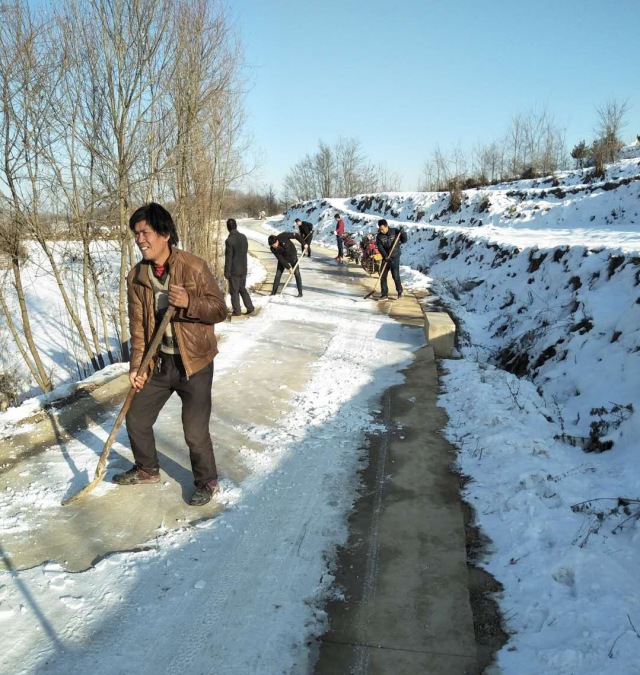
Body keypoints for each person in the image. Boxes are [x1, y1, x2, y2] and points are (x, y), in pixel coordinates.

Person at [113, 202, 228, 506]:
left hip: (195, 364)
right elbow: (137, 326)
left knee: (193, 430)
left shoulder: (193, 267)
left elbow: (219, 310)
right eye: (136, 234)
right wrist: (137, 366)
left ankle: (207, 481)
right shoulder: (136, 277)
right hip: (160, 364)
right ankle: (148, 469)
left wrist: (190, 300)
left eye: (145, 232)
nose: (140, 239)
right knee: (136, 418)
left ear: (164, 233)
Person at [224, 218, 255, 317]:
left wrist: (227, 272)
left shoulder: (229, 240)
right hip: (243, 268)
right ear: (236, 226)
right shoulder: (243, 237)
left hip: (234, 270)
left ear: (228, 227)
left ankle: (237, 311)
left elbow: (228, 258)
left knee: (234, 291)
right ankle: (250, 307)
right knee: (242, 288)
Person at [375, 218, 408, 300]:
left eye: (382, 229)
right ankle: (384, 294)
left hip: (395, 257)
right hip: (386, 258)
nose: (381, 231)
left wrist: (403, 233)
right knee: (382, 275)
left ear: (386, 226)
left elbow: (404, 240)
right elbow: (380, 247)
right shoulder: (379, 236)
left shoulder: (395, 231)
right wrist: (385, 256)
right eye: (380, 229)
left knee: (395, 276)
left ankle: (400, 291)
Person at [268, 231, 307, 296]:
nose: (274, 246)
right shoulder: (273, 249)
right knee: (278, 274)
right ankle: (273, 293)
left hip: (292, 256)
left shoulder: (283, 236)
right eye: (272, 245)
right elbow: (280, 259)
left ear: (277, 241)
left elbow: (296, 235)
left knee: (296, 273)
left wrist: (304, 243)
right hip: (283, 259)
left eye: (274, 244)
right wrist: (288, 268)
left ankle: (300, 293)